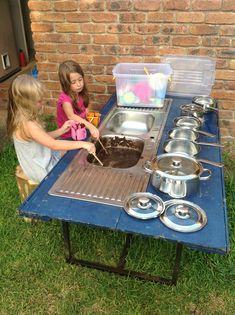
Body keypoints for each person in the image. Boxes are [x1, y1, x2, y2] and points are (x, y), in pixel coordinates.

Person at [7, 74, 96, 184]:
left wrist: (61, 131)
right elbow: (53, 144)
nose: (42, 103)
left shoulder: (24, 115)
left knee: (73, 152)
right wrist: (83, 144)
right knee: (77, 171)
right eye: (39, 101)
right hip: (41, 170)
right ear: (26, 103)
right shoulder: (28, 125)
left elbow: (42, 138)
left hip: (44, 156)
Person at [57, 60, 100, 139]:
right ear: (65, 84)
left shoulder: (80, 92)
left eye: (80, 80)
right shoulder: (65, 100)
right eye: (73, 82)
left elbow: (86, 107)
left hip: (82, 128)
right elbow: (71, 116)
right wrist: (90, 126)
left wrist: (89, 118)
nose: (79, 84)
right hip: (70, 135)